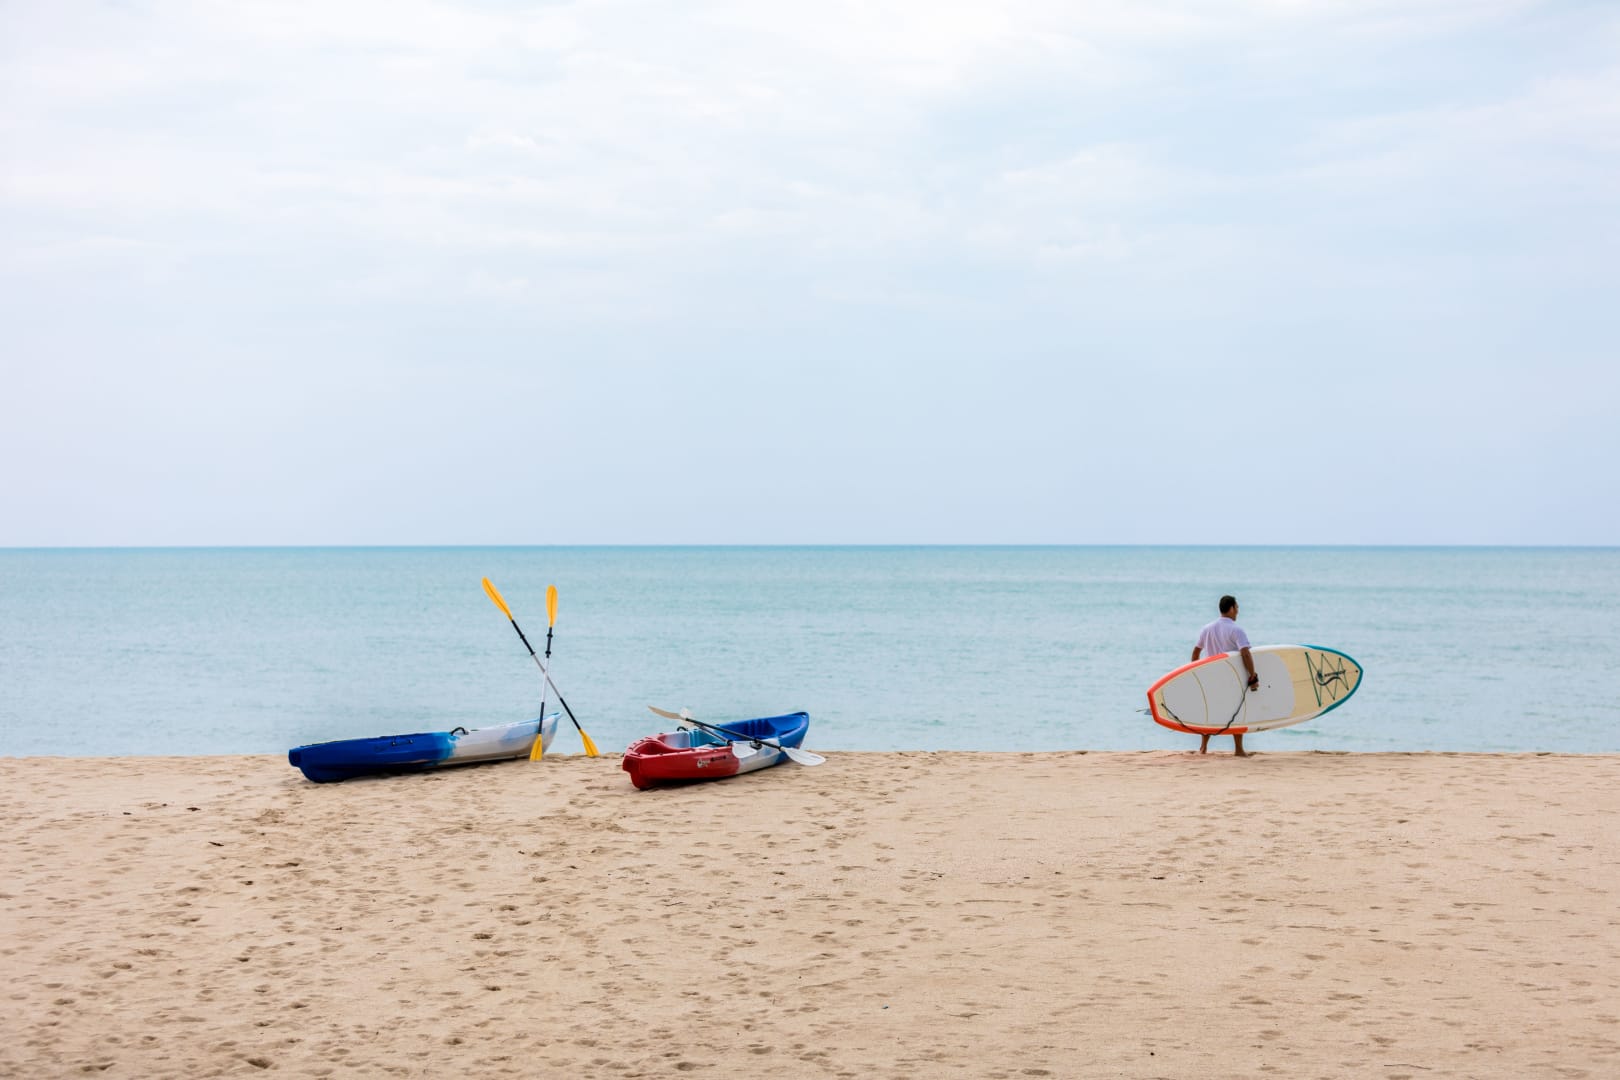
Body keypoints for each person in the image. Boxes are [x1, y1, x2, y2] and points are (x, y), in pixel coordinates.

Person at [1190, 595, 1258, 757]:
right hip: (1230, 679)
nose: (1238, 611)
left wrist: (1195, 673)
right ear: (1232, 608)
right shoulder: (1236, 630)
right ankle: (1239, 750)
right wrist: (1253, 676)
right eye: (1237, 607)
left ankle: (1203, 748)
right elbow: (1245, 654)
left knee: (1210, 711)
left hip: (1211, 679)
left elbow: (1196, 652)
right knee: (1237, 712)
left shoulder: (1207, 629)